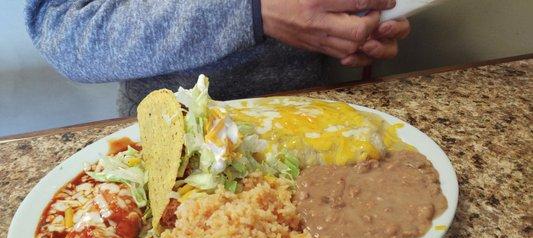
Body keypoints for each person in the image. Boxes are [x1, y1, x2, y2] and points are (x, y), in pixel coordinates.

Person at [25, 0, 410, 116]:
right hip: (170, 139)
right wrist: (251, 14)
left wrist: (360, 22)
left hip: (307, 116)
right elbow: (65, 33)